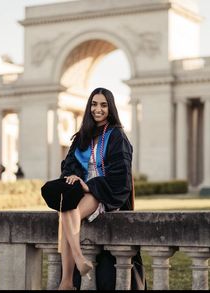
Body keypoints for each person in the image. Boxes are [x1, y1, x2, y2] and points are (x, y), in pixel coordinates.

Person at [56, 87, 146, 290]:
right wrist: (72, 177)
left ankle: (67, 280)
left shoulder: (117, 136)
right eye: (94, 104)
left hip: (103, 192)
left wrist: (91, 185)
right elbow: (70, 164)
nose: (98, 109)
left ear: (110, 108)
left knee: (72, 213)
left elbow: (120, 174)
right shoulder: (82, 137)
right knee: (66, 209)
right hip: (82, 189)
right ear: (89, 107)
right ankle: (70, 275)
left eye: (103, 105)